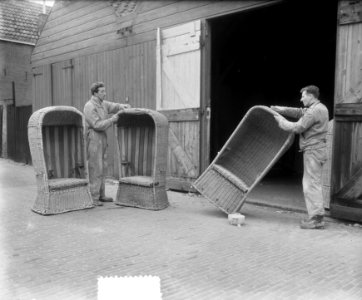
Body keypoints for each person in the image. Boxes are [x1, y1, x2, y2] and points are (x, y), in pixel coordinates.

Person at [271, 85, 329, 229]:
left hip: (313, 151)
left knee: (310, 185)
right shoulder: (319, 108)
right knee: (313, 183)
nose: (301, 98)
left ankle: (316, 219)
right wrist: (281, 109)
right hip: (317, 150)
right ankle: (317, 217)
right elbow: (300, 112)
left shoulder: (314, 111)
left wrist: (281, 121)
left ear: (311, 96)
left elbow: (297, 127)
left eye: (303, 96)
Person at [84, 82, 130, 206]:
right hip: (93, 137)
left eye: (105, 91)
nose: (105, 93)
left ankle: (101, 195)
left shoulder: (102, 104)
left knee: (103, 167)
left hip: (102, 137)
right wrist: (113, 119)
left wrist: (123, 106)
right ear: (95, 93)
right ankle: (93, 198)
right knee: (95, 168)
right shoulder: (90, 106)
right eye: (102, 91)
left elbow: (114, 106)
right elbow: (97, 125)